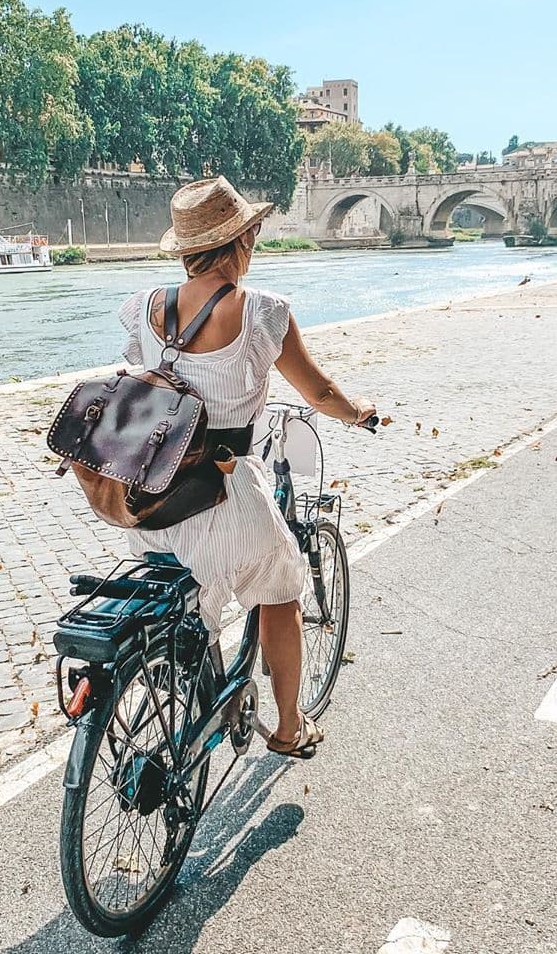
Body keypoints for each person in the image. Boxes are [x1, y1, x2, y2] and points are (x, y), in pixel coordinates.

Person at [117, 176, 375, 757]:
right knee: (280, 588)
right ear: (240, 241)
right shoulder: (261, 312)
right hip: (223, 491)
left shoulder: (144, 308)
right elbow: (318, 393)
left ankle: (197, 690)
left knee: (185, 597)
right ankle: (289, 727)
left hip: (151, 498)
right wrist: (356, 412)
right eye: (252, 234)